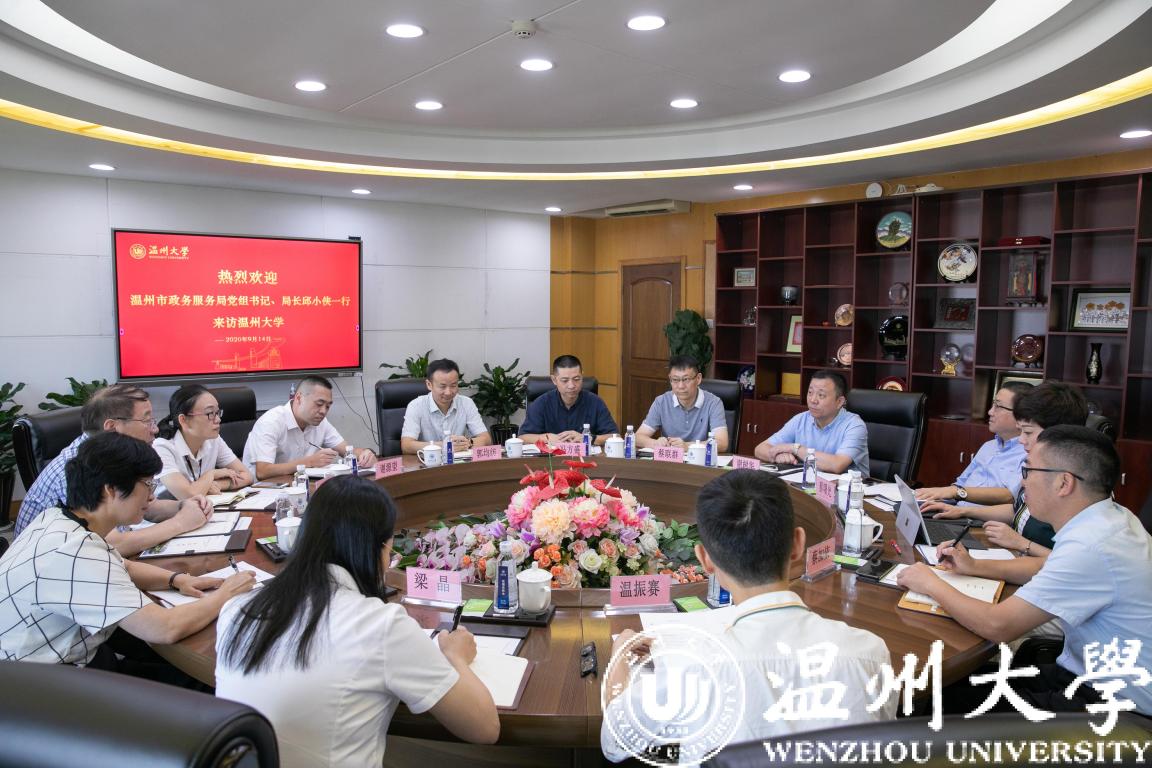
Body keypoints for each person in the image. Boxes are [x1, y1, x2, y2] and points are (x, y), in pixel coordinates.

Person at [601, 471, 894, 762]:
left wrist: (621, 654)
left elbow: (615, 742)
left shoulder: (692, 666)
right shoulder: (871, 653)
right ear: (798, 544)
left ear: (705, 560)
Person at [215, 475, 499, 765]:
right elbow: (484, 727)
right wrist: (456, 657)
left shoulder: (236, 610)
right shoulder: (380, 625)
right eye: (389, 550)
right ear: (375, 549)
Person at [896, 426, 1152, 717]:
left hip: (1113, 706)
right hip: (1082, 675)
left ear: (1064, 483)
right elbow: (1045, 565)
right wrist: (975, 566)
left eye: (1028, 470)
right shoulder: (1110, 519)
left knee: (936, 707)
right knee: (946, 690)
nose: (1021, 481)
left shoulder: (1091, 545)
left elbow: (998, 625)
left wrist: (931, 583)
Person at [0, 432, 255, 673]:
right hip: (36, 684)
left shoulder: (58, 519)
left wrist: (176, 580)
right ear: (110, 490)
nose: (152, 496)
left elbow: (122, 565)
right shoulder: (75, 552)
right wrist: (225, 595)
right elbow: (164, 628)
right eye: (147, 484)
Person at [14, 384, 215, 556]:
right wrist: (180, 523)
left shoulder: (113, 456)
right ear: (112, 427)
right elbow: (112, 545)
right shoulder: (80, 467)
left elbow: (146, 506)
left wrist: (183, 506)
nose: (154, 429)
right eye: (146, 421)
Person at [924, 381, 1088, 555]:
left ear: (1058, 433)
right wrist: (961, 510)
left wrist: (1022, 544)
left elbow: (1064, 559)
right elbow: (1018, 509)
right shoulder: (1044, 469)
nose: (1021, 440)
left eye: (1028, 432)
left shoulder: (1071, 489)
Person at [915, 381, 1033, 507]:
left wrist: (955, 493)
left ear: (1021, 416)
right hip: (954, 510)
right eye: (993, 404)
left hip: (979, 518)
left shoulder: (1028, 453)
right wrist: (932, 497)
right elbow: (960, 484)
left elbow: (1010, 496)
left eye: (998, 406)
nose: (990, 412)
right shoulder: (988, 446)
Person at [243, 375, 376, 480]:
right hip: (262, 492)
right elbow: (263, 471)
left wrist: (365, 454)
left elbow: (347, 451)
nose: (323, 411)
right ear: (299, 398)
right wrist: (309, 462)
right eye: (319, 404)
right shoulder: (271, 422)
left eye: (328, 406)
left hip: (299, 486)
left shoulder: (321, 423)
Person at [753, 370, 869, 475]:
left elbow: (837, 464)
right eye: (810, 392)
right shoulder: (801, 419)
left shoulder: (854, 425)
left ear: (839, 402)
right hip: (807, 485)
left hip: (849, 489)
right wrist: (778, 456)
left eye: (821, 395)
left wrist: (796, 449)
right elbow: (760, 449)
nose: (813, 400)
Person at [153, 384, 252, 500]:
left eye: (217, 412)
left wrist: (217, 485)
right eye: (210, 414)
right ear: (183, 420)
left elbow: (247, 476)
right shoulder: (162, 447)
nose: (218, 419)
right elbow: (188, 495)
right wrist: (211, 474)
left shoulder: (213, 440)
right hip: (170, 510)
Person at [518, 354, 618, 446]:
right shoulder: (541, 403)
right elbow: (523, 437)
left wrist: (588, 438)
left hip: (585, 457)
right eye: (565, 380)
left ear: (582, 376)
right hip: (551, 458)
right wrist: (547, 438)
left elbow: (615, 436)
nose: (571, 385)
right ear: (554, 380)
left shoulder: (595, 402)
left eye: (576, 379)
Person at [635, 355, 729, 452]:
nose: (680, 386)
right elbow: (637, 437)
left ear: (698, 379)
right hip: (671, 459)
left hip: (699, 459)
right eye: (675, 380)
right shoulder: (661, 402)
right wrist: (655, 443)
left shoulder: (713, 403)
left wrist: (687, 446)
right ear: (670, 379)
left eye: (686, 379)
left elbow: (722, 443)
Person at [400, 358, 492, 455]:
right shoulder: (416, 406)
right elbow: (406, 446)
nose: (448, 392)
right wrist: (444, 446)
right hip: (429, 461)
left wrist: (467, 443)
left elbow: (486, 439)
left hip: (459, 462)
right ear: (429, 385)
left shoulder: (466, 403)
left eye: (453, 385)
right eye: (442, 386)